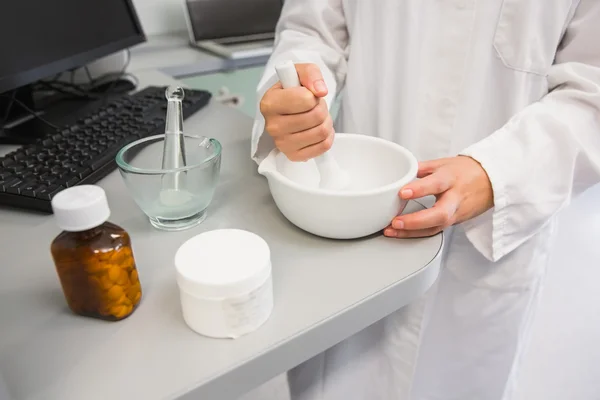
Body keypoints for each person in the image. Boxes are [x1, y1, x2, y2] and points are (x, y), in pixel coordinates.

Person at [250, 1, 600, 399]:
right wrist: (293, 95)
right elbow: (311, 30)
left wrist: (496, 172)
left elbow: (592, 88)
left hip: (483, 239)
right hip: (352, 224)